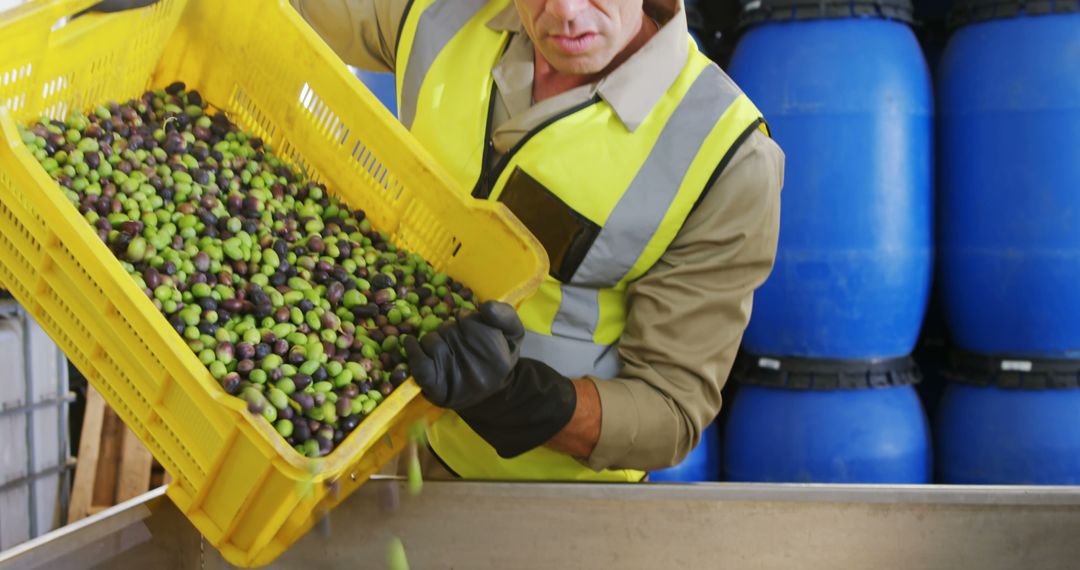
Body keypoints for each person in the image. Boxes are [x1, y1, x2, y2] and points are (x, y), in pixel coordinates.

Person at [289, 0, 784, 481]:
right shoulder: (442, 13)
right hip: (391, 456)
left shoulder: (726, 156)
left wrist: (513, 397)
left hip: (554, 511)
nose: (565, 10)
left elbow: (670, 412)